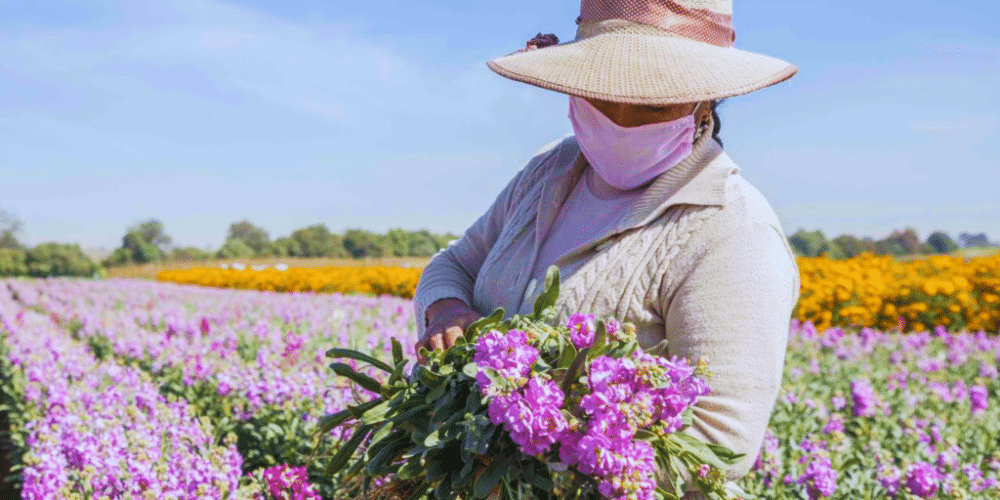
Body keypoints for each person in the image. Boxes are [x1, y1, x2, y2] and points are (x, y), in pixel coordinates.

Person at [413, 0, 801, 497]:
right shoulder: (549, 171)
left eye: (654, 103)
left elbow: (720, 441)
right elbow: (455, 264)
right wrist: (445, 311)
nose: (622, 119)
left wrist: (545, 450)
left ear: (706, 100)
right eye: (601, 96)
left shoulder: (731, 231)